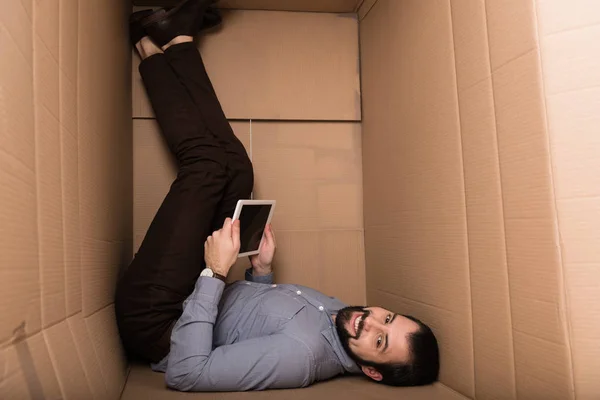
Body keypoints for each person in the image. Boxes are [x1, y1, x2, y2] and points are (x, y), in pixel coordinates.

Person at [115, 0, 440, 392]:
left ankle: (157, 46)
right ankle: (166, 43)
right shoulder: (341, 316)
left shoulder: (301, 359)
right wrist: (261, 275)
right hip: (190, 291)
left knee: (205, 169)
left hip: (156, 319)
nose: (370, 322)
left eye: (380, 340)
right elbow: (248, 325)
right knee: (238, 170)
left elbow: (188, 372)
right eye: (388, 319)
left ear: (372, 371)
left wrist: (216, 273)